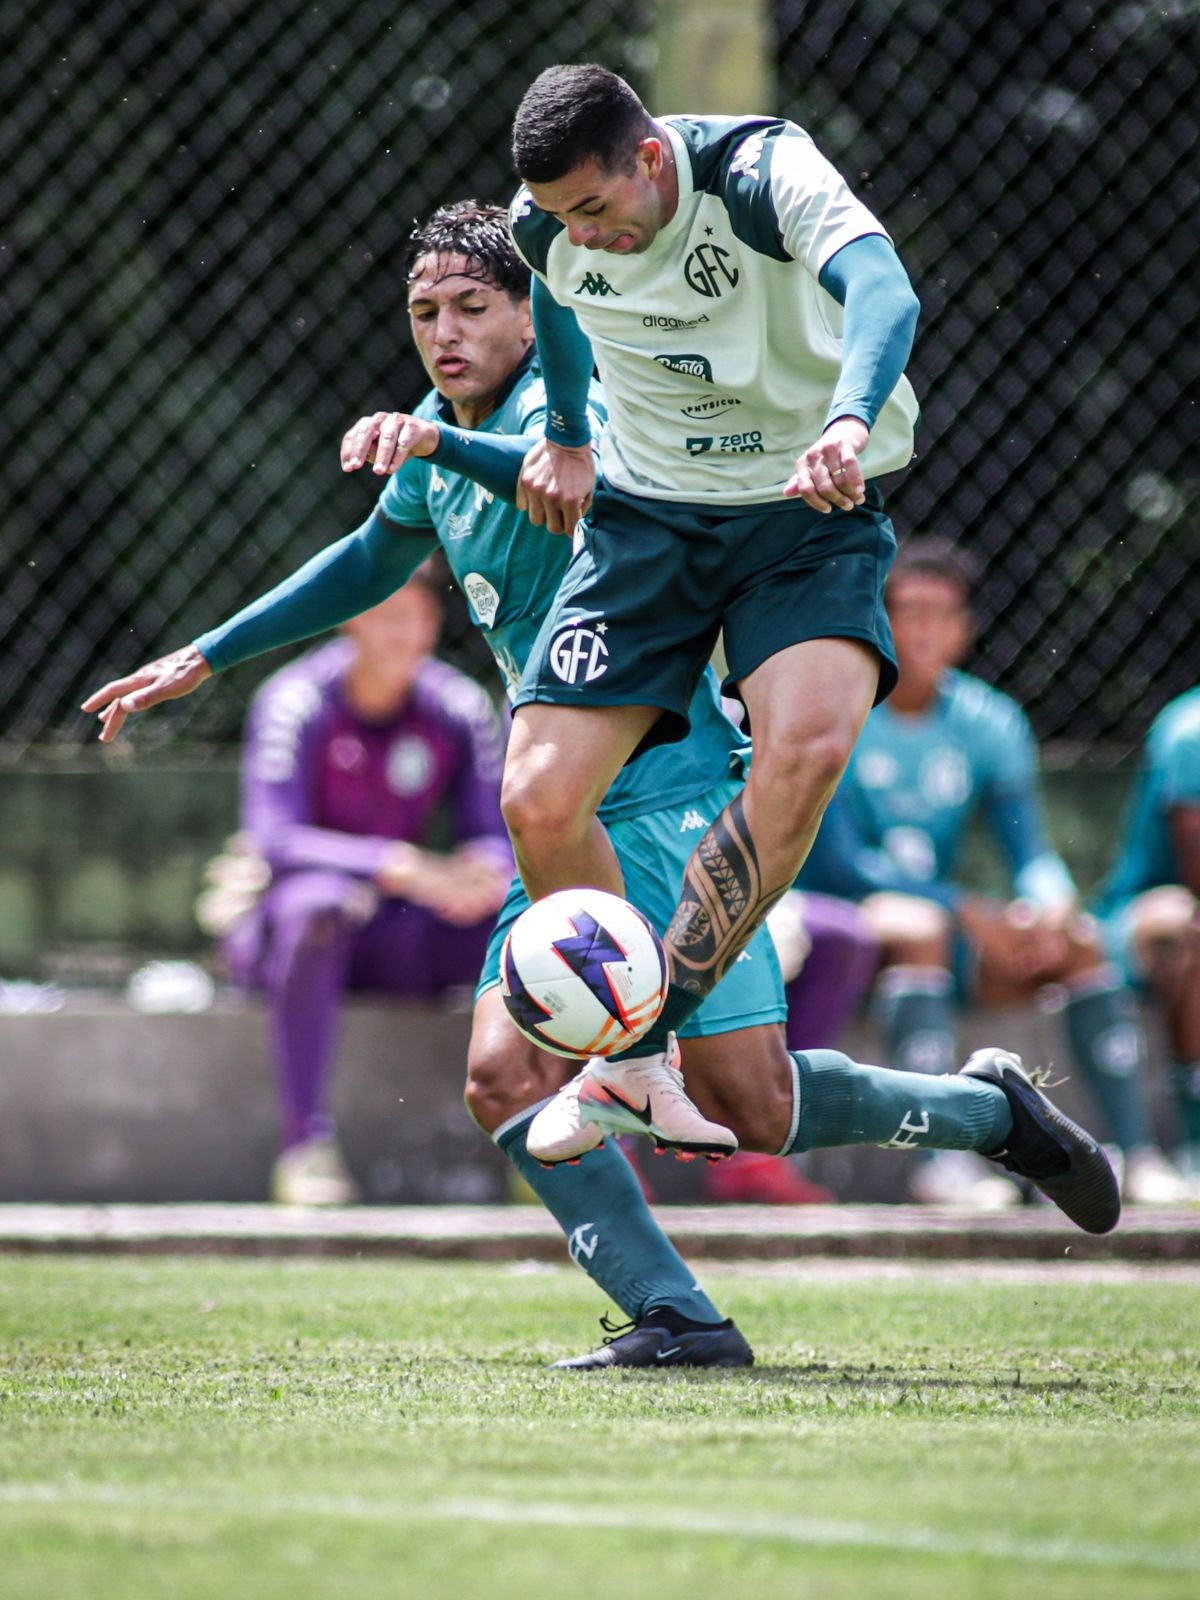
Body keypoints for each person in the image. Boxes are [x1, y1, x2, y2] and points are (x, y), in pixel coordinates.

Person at [82, 202, 1120, 1368]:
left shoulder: (582, 422)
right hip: (557, 812)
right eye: (425, 311)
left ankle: (989, 1114)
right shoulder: (441, 424)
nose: (444, 332)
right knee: (503, 1071)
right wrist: (204, 654)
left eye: (474, 306)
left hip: (667, 793)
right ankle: (676, 1313)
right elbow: (373, 556)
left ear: (535, 313)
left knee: (750, 1104)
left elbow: (563, 486)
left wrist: (439, 448)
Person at [495, 62, 928, 1158]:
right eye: (558, 218)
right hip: (650, 522)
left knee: (810, 747)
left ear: (650, 159)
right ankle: (638, 1065)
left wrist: (846, 417)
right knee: (539, 798)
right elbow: (553, 291)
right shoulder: (550, 234)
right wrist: (567, 433)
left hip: (805, 507)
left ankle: (640, 1039)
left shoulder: (759, 174)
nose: (580, 237)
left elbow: (887, 290)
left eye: (595, 208)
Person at [796, 536, 1187, 1205]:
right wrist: (962, 908)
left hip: (948, 924)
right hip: (846, 920)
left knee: (1078, 943)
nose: (923, 628)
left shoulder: (988, 720)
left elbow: (1028, 850)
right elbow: (841, 864)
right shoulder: (841, 709)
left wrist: (1049, 901)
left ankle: (1140, 1155)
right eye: (907, 611)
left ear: (965, 629)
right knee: (917, 924)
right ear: (879, 619)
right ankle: (939, 1163)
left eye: (941, 613)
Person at [209, 569, 513, 1205]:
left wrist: (476, 878)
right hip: (289, 927)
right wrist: (397, 864)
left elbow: (491, 832)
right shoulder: (295, 699)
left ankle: (546, 1140)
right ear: (352, 617)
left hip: (401, 929)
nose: (401, 633)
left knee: (529, 922)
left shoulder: (456, 705)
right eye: (384, 613)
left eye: (416, 616)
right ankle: (304, 1149)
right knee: (318, 907)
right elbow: (275, 839)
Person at [1092, 686, 1200, 1181]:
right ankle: (1194, 1140)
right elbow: (1196, 872)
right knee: (1191, 922)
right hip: (1142, 920)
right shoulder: (1191, 730)